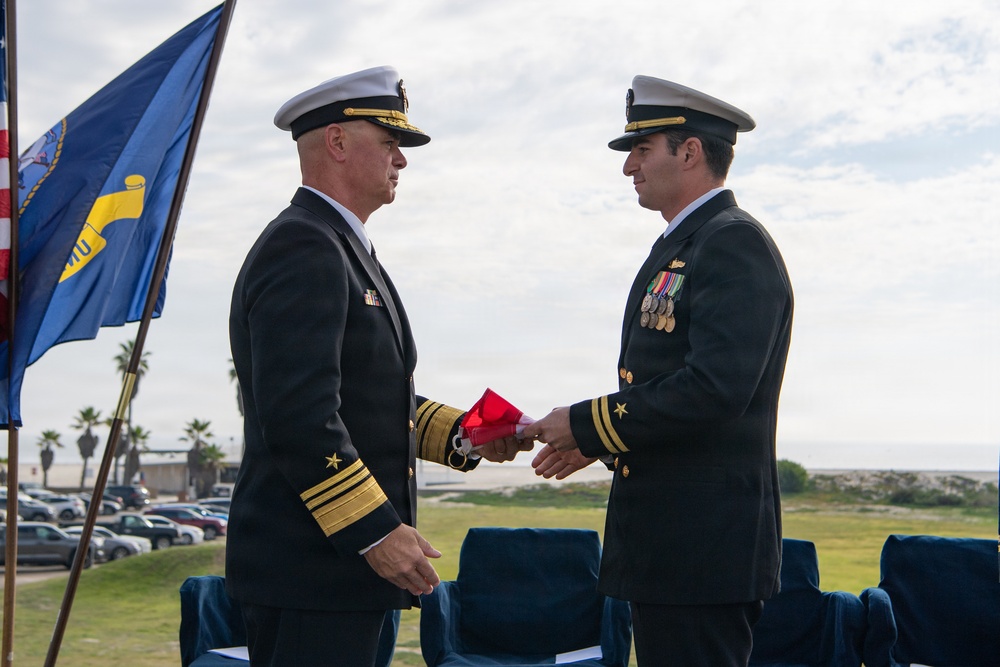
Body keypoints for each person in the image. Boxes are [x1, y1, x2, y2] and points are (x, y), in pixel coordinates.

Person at [227, 66, 525, 667]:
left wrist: (471, 434)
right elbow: (299, 416)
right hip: (313, 576)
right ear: (337, 143)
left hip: (342, 578)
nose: (402, 160)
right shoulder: (304, 244)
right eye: (390, 143)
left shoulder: (340, 244)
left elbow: (369, 401)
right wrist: (374, 531)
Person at [523, 76, 794, 666]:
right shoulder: (686, 244)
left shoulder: (731, 243)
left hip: (704, 552)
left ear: (689, 151)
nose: (630, 169)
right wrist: (598, 441)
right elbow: (663, 388)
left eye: (643, 150)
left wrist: (587, 424)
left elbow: (714, 390)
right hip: (676, 549)